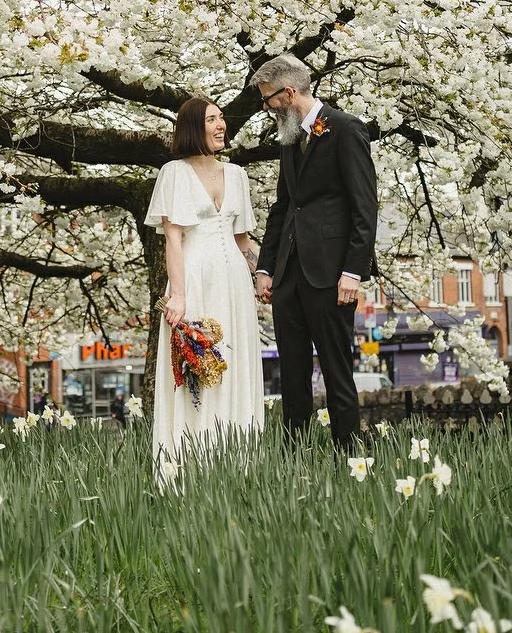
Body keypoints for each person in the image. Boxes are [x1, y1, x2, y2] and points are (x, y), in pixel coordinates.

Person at [251, 54, 378, 450]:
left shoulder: (345, 129)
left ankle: (347, 456)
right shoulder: (290, 137)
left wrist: (353, 272)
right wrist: (266, 267)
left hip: (331, 275)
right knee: (292, 371)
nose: (267, 108)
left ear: (289, 93)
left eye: (268, 99)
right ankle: (295, 458)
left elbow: (365, 206)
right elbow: (283, 207)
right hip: (289, 276)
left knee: (337, 370)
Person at [146, 96, 265, 469]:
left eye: (221, 118)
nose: (221, 125)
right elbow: (173, 237)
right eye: (212, 119)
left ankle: (237, 463)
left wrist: (262, 275)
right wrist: (177, 296)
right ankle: (191, 462)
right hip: (194, 281)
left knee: (233, 361)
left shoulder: (238, 176)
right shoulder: (174, 173)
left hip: (233, 284)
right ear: (194, 127)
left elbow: (242, 239)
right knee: (198, 368)